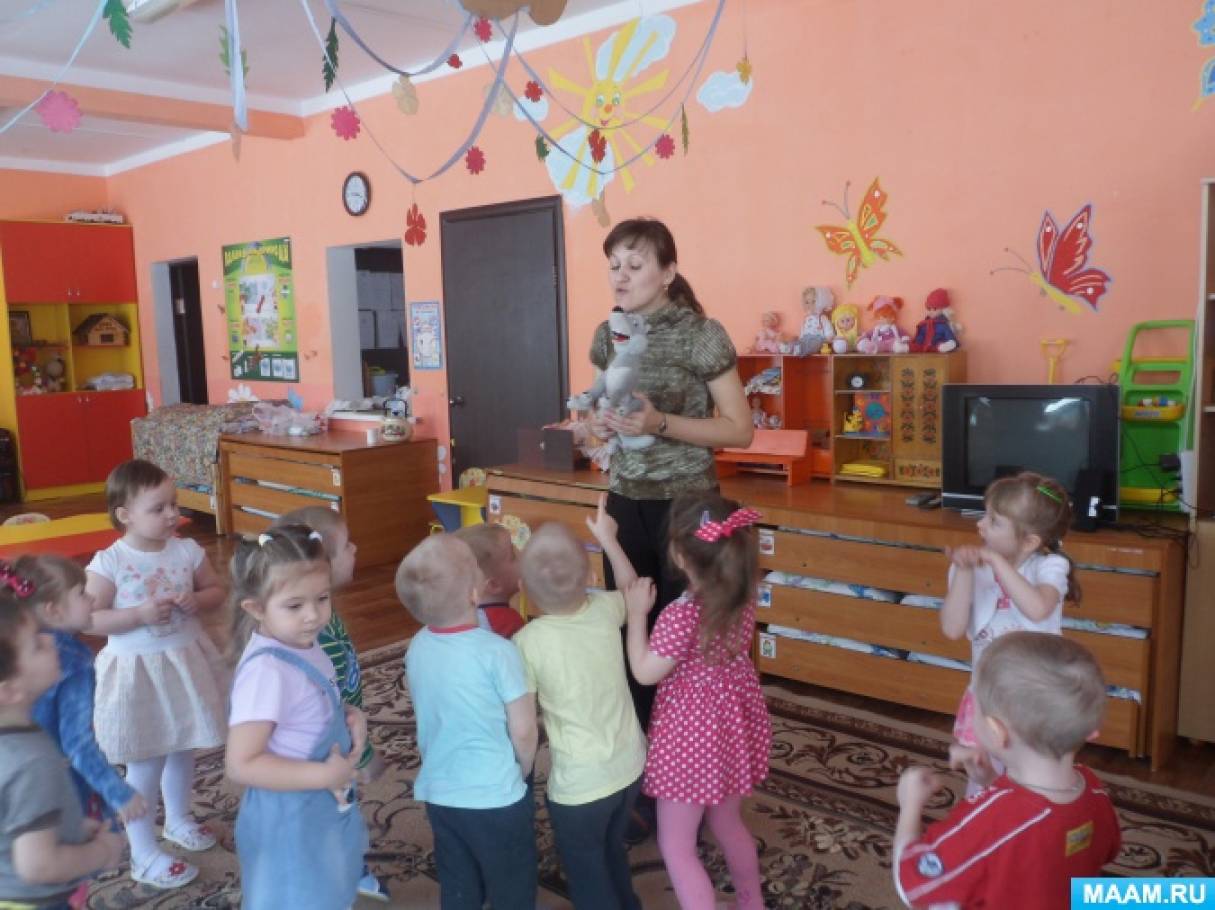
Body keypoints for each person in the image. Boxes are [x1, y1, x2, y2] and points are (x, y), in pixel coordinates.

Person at [577, 217, 752, 837]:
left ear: (669, 272)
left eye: (635, 264)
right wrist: (595, 425)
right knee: (634, 637)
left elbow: (740, 430)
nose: (620, 277)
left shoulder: (702, 336)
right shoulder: (608, 333)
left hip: (688, 509)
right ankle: (642, 783)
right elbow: (596, 412)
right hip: (627, 501)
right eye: (613, 265)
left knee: (690, 652)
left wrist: (660, 424)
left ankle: (693, 780)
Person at [894, 632, 1120, 910]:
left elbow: (914, 886)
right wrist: (991, 780)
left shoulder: (990, 821)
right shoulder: (1094, 790)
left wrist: (910, 805)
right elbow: (1106, 850)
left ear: (995, 731)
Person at [85, 459, 228, 890]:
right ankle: (143, 853)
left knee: (183, 746)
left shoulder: (187, 551)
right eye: (158, 508)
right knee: (145, 762)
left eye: (174, 505)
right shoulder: (109, 562)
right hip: (139, 677)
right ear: (125, 515)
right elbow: (89, 619)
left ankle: (178, 819)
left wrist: (198, 601)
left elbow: (216, 591)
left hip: (183, 664)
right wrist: (137, 615)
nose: (172, 514)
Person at [624, 491, 770, 910]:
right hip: (730, 726)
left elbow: (644, 672)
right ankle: (752, 903)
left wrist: (636, 614)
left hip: (691, 738)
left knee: (676, 846)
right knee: (728, 824)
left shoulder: (680, 615)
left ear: (678, 554)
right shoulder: (743, 595)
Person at [225, 524, 369, 910]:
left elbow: (307, 705)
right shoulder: (266, 674)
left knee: (326, 886)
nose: (313, 616)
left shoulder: (304, 642)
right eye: (294, 606)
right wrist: (323, 776)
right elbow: (241, 763)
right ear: (256, 609)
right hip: (288, 819)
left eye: (322, 598)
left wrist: (347, 714)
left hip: (317, 806)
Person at [513, 500, 647, 910]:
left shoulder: (526, 643)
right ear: (590, 577)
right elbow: (632, 590)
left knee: (588, 872)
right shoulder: (603, 609)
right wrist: (609, 539)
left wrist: (520, 767)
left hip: (580, 787)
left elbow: (524, 725)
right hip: (630, 767)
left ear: (523, 589)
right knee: (612, 850)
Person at [396, 534, 538, 910]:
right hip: (497, 794)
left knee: (458, 879)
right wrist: (524, 768)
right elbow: (524, 729)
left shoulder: (417, 646)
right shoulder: (499, 652)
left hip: (441, 791)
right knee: (512, 883)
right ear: (475, 594)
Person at [274, 506, 388, 902]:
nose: (355, 548)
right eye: (347, 545)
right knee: (327, 813)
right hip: (323, 749)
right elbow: (324, 701)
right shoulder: (312, 633)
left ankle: (343, 865)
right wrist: (359, 753)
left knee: (338, 810)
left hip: (338, 741)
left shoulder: (323, 616)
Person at [940, 471, 1077, 796]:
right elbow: (952, 629)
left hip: (1036, 700)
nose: (980, 525)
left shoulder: (1050, 566)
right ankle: (987, 819)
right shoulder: (970, 567)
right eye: (985, 515)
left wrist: (996, 563)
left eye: (994, 521)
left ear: (1029, 541)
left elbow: (1038, 608)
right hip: (988, 698)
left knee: (1037, 782)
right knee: (982, 781)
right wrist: (964, 572)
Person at [0, 591, 126, 909]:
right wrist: (103, 852)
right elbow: (39, 866)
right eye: (37, 644)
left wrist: (69, 828)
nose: (51, 640)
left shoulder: (16, 744)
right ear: (10, 690)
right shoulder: (32, 762)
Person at [25, 555, 146, 826]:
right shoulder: (71, 660)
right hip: (61, 784)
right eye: (81, 593)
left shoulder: (18, 653)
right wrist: (118, 792)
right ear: (54, 610)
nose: (92, 598)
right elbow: (77, 742)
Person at [454, 523, 524, 638]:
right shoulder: (509, 622)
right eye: (513, 556)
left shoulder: (454, 617)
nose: (522, 556)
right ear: (494, 585)